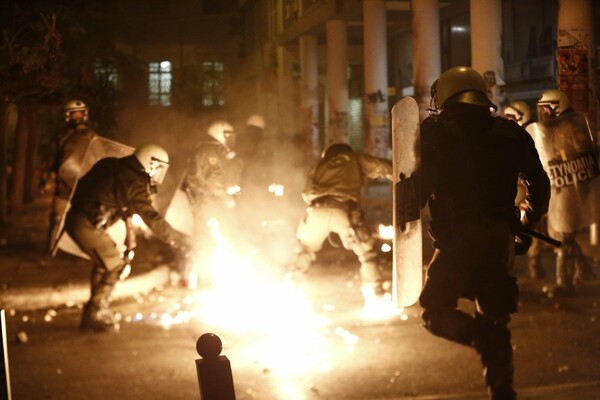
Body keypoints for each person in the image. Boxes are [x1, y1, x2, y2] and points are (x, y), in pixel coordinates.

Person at [418, 66, 550, 400]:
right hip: (499, 237)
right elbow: (539, 183)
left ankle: (480, 338)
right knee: (495, 318)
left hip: (460, 238)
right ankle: (502, 391)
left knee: (435, 311)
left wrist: (410, 206)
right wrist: (526, 225)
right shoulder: (511, 133)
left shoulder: (435, 132)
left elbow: (421, 184)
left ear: (446, 94)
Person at [65, 143, 191, 333]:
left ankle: (92, 315)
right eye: (158, 168)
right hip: (87, 225)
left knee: (104, 264)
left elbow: (95, 193)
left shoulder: (113, 165)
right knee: (116, 266)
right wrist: (178, 238)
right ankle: (94, 314)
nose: (158, 175)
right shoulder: (135, 181)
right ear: (150, 163)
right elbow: (151, 216)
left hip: (79, 218)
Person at [289, 142, 393, 307]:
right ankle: (376, 298)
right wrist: (406, 174)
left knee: (305, 250)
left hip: (317, 210)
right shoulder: (354, 158)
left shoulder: (318, 166)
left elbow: (306, 193)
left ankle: (291, 291)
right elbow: (382, 168)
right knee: (366, 255)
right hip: (344, 210)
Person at [530, 89, 597, 296]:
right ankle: (583, 272)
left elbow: (579, 153)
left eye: (546, 108)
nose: (543, 113)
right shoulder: (554, 127)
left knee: (563, 236)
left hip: (569, 188)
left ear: (556, 106)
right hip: (560, 187)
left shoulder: (571, 126)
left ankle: (564, 283)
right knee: (561, 234)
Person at [180, 120, 237, 289]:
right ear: (221, 134)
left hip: (200, 201)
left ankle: (197, 281)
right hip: (206, 202)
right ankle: (205, 282)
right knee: (210, 239)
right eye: (229, 136)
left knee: (203, 239)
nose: (231, 140)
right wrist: (226, 198)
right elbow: (214, 180)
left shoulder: (203, 148)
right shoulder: (210, 151)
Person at [47, 99, 99, 254]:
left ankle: (81, 251)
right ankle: (51, 250)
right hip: (63, 184)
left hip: (84, 184)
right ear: (68, 115)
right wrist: (50, 174)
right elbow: (56, 158)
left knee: (84, 220)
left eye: (80, 113)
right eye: (74, 113)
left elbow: (98, 156)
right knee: (57, 218)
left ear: (85, 114)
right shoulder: (61, 136)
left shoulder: (93, 136)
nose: (77, 116)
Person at [503, 101, 547, 280]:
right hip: (514, 190)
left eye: (512, 117)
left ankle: (534, 264)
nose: (508, 120)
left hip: (527, 190)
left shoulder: (530, 135)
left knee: (531, 227)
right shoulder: (508, 135)